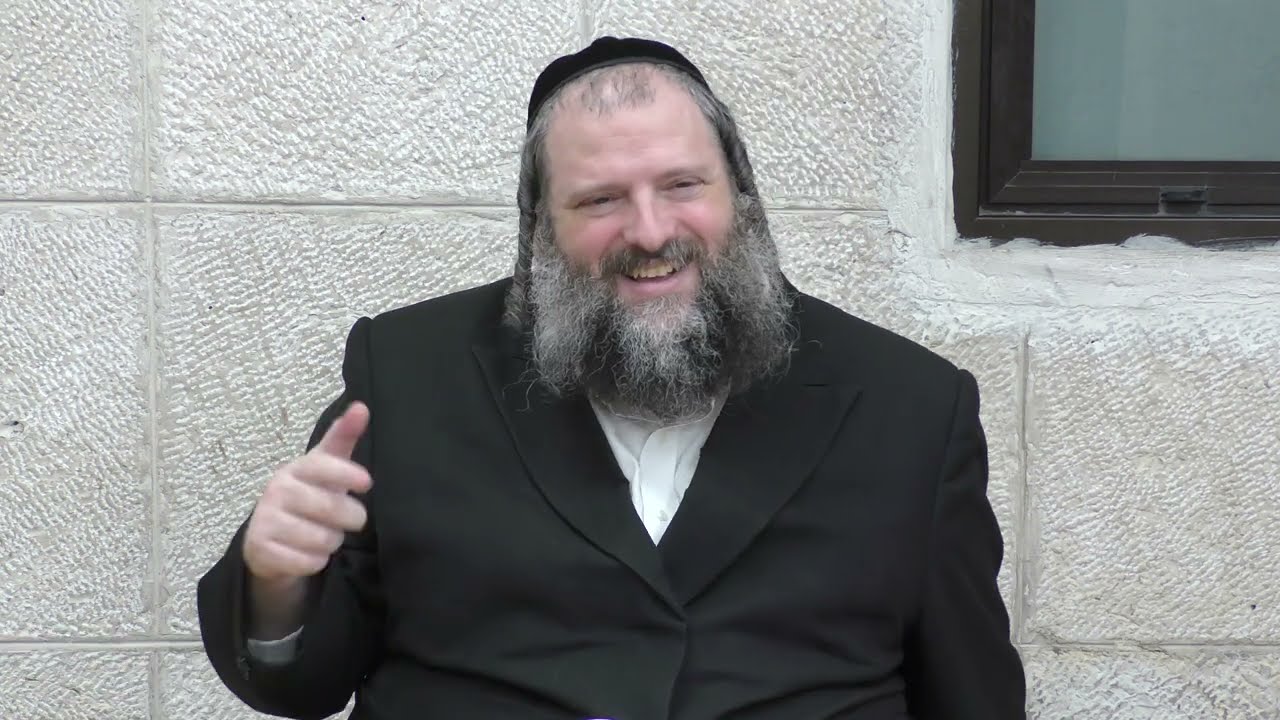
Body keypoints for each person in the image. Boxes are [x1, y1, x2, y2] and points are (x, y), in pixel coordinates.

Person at [197, 36, 1027, 720]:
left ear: (741, 194)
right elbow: (303, 684)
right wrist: (278, 583)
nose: (651, 231)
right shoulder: (409, 373)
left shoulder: (911, 407)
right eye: (600, 201)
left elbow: (972, 696)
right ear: (540, 227)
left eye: (683, 186)